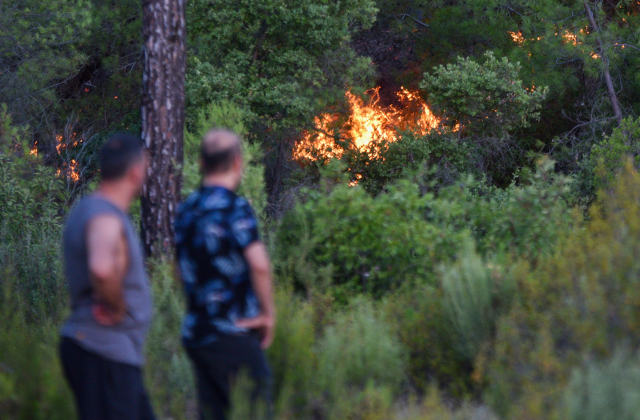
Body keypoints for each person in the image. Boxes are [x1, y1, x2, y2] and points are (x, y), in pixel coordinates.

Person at [175, 129, 275, 420]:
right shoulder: (235, 208)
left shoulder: (186, 209)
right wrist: (267, 315)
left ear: (201, 164)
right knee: (254, 411)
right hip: (232, 332)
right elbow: (259, 264)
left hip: (197, 334)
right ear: (237, 163)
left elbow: (180, 268)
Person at [59, 133, 155, 420]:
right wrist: (117, 307)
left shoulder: (90, 209)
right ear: (136, 170)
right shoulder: (104, 215)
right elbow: (101, 269)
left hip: (110, 354)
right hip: (103, 350)